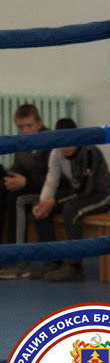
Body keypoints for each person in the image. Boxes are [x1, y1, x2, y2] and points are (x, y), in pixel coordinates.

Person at [31, 118, 110, 282]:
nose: (65, 147)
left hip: (102, 195)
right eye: (62, 142)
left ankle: (75, 267)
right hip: (78, 195)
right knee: (42, 209)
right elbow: (51, 181)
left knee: (70, 210)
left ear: (77, 138)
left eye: (70, 142)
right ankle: (52, 260)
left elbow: (84, 189)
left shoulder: (90, 152)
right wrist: (44, 202)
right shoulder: (56, 153)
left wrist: (54, 202)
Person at [0, 104, 50, 280]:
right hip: (29, 189)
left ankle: (19, 261)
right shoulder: (21, 144)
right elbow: (17, 168)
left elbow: (52, 180)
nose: (24, 131)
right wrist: (9, 178)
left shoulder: (51, 141)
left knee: (17, 199)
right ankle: (4, 254)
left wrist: (26, 181)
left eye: (29, 126)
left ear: (39, 123)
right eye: (20, 127)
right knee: (3, 189)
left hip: (49, 193)